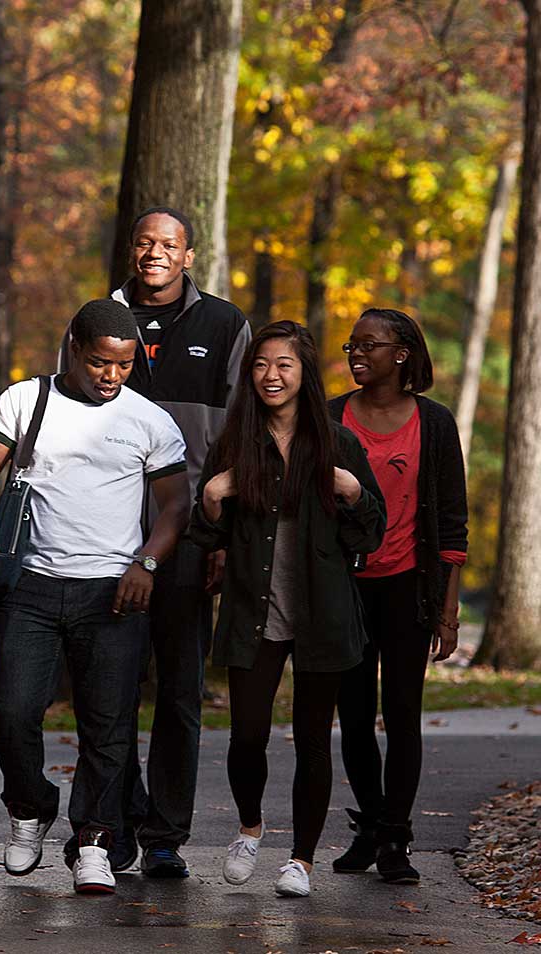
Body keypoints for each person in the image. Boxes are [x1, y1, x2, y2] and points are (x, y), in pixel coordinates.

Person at [0, 299, 190, 895]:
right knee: (11, 709)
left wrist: (146, 562)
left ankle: (95, 839)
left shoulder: (149, 420)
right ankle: (30, 807)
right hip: (32, 587)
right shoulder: (25, 399)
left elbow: (176, 505)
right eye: (99, 363)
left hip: (114, 591)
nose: (111, 376)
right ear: (72, 349)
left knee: (108, 726)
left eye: (123, 365)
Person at [60, 206, 251, 876]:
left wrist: (222, 535)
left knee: (179, 689)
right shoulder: (94, 321)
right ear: (131, 249)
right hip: (102, 535)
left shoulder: (225, 325)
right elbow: (64, 421)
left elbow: (241, 438)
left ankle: (166, 835)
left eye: (168, 244)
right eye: (144, 242)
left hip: (190, 535)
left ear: (189, 255)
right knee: (102, 689)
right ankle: (108, 825)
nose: (154, 253)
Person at [189, 320, 386, 898]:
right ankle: (250, 828)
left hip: (322, 614)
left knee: (311, 742)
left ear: (304, 374)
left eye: (284, 365)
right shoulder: (235, 442)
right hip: (256, 610)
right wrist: (210, 499)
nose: (271, 376)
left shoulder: (337, 442)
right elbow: (205, 538)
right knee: (247, 735)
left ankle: (300, 859)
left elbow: (370, 535)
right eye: (261, 365)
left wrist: (354, 493)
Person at [329, 308, 468, 884]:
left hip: (409, 586)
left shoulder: (433, 423)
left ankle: (396, 839)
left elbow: (454, 523)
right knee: (355, 717)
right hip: (344, 586)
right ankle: (371, 827)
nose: (356, 354)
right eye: (351, 345)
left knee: (402, 715)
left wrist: (448, 608)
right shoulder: (332, 415)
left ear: (402, 353)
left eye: (369, 344)